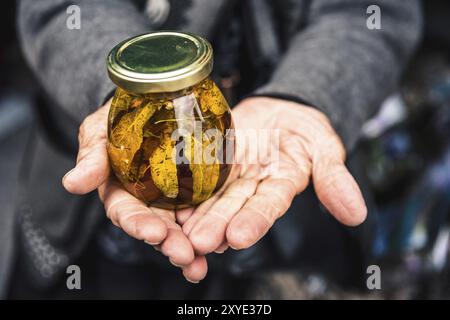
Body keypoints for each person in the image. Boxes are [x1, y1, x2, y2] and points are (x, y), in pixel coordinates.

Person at [3, 0, 421, 298]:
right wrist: (120, 81)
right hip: (89, 237)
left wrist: (305, 95)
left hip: (283, 236)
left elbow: (368, 12)